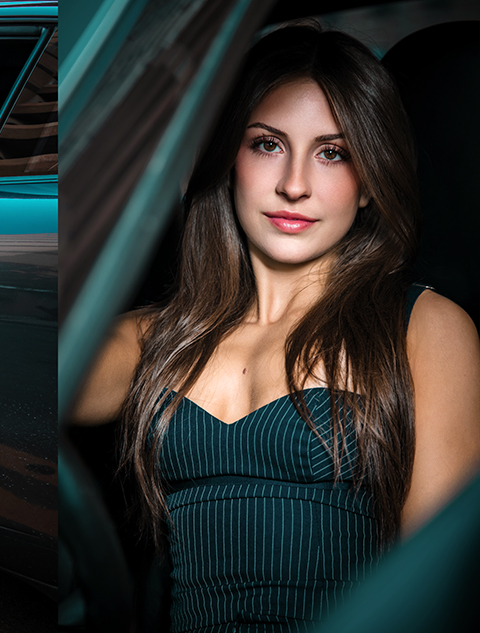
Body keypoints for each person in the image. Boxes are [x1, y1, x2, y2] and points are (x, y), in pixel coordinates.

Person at [71, 24, 480, 632]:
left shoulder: (426, 328)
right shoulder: (154, 337)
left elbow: (436, 594)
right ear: (225, 157)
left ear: (369, 181)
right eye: (266, 144)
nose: (294, 183)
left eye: (332, 152)